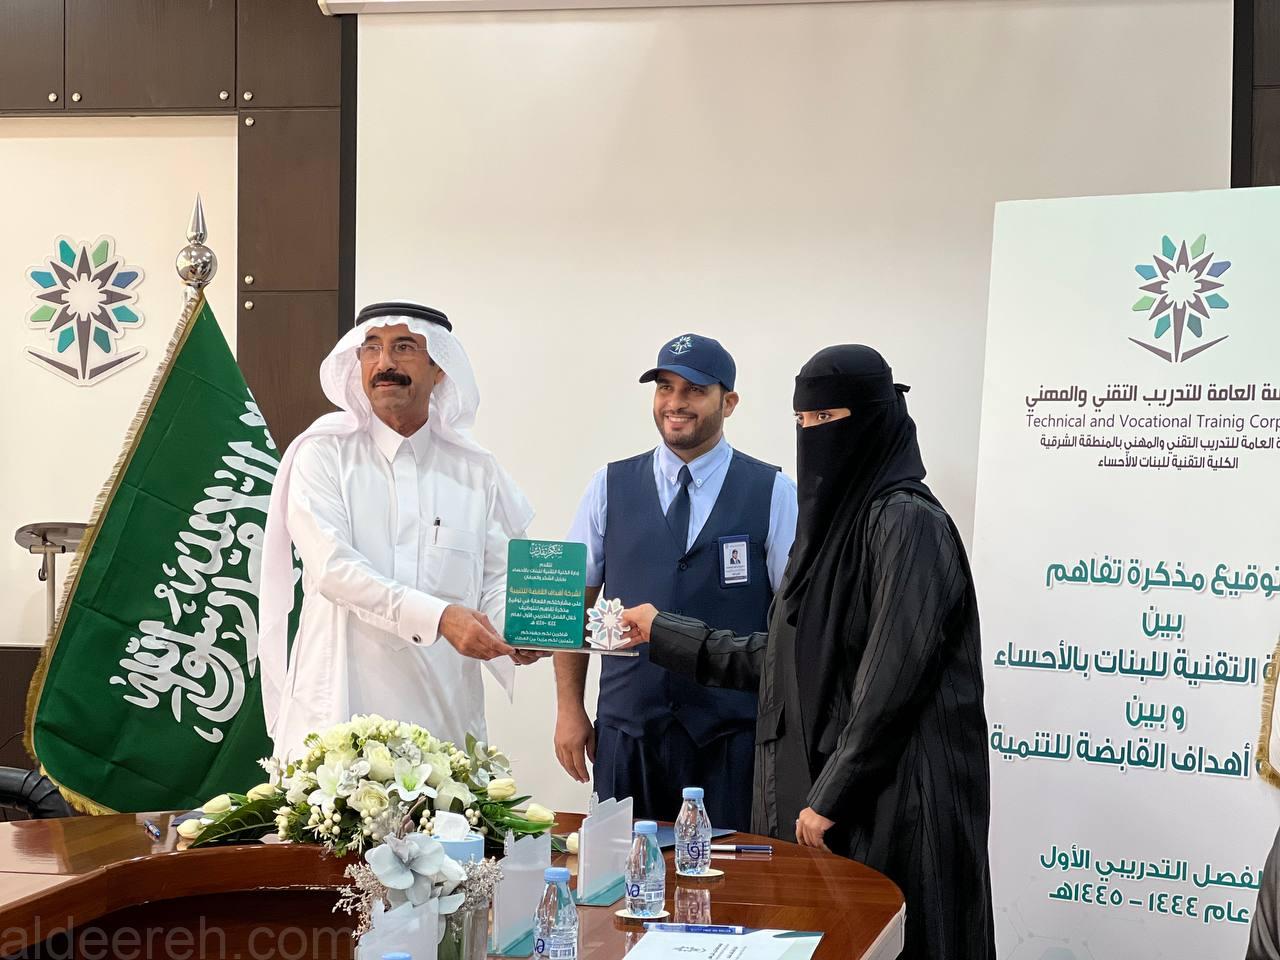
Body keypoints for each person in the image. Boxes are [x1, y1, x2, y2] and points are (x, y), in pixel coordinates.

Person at [621, 345, 994, 960]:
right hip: (838, 804)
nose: (812, 434)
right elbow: (784, 661)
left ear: (872, 418)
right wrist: (665, 633)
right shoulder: (828, 532)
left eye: (827, 418)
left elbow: (892, 680)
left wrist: (829, 795)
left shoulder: (907, 522)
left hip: (902, 803)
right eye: (802, 420)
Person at [258, 301, 539, 759]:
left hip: (442, 720)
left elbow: (496, 580)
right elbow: (333, 570)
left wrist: (522, 629)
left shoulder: (475, 471)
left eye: (404, 348)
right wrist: (441, 618)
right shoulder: (324, 454)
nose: (384, 363)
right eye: (371, 348)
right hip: (338, 714)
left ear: (440, 368)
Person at [555, 334, 797, 829]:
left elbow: (795, 621)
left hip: (731, 738)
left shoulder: (774, 492)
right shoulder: (608, 486)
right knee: (621, 870)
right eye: (665, 387)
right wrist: (569, 708)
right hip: (628, 733)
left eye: (694, 390)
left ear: (729, 402)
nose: (675, 402)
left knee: (729, 873)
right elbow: (570, 603)